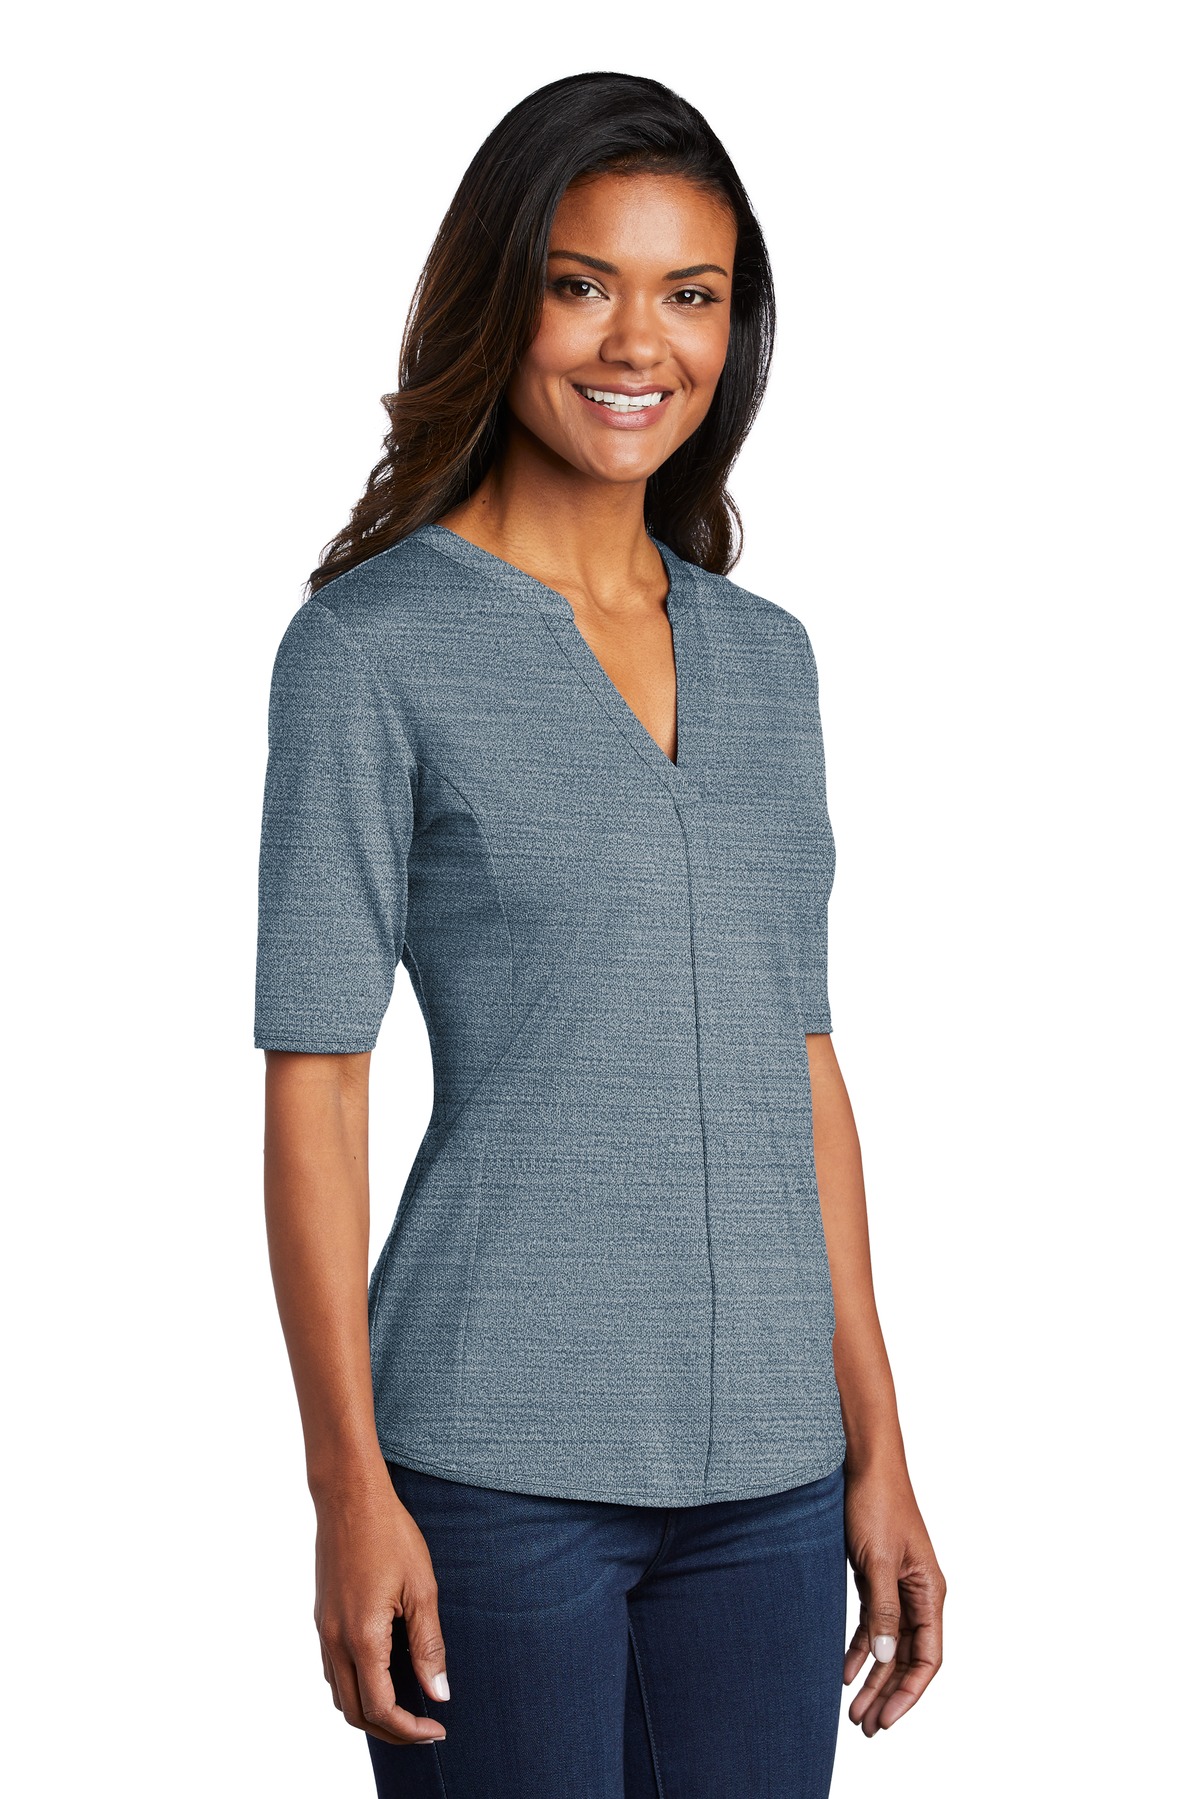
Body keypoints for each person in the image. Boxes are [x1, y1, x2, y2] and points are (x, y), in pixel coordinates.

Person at [254, 70, 946, 1799]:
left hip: (773, 1487)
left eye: (690, 294)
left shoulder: (770, 660)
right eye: (583, 285)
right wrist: (347, 1486)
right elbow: (317, 1084)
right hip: (494, 1472)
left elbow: (801, 1061)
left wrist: (877, 1442)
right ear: (504, 300)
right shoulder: (370, 651)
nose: (640, 343)